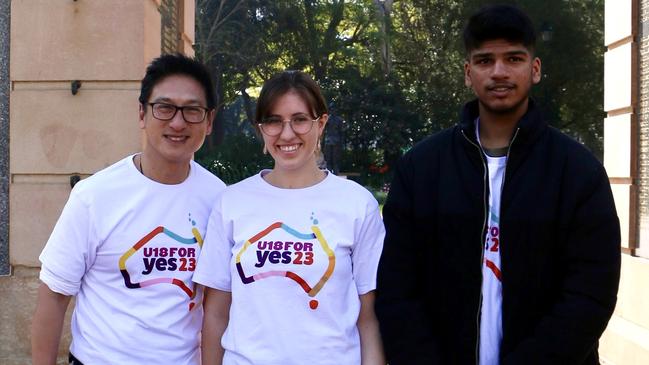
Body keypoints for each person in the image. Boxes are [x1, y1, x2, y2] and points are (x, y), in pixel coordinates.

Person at [375, 4, 621, 365]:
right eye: (485, 60)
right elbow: (398, 290)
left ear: (535, 69)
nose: (499, 72)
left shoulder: (577, 171)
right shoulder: (422, 169)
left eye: (514, 58)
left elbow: (590, 294)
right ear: (467, 72)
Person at [31, 53, 226, 365]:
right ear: (141, 114)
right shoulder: (94, 197)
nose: (177, 122)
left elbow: (218, 306)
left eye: (192, 110)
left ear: (209, 121)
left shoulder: (220, 200)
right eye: (164, 107)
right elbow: (53, 297)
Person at [193, 70, 385, 365]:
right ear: (261, 129)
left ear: (321, 123)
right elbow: (216, 314)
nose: (286, 134)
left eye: (299, 119)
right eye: (273, 121)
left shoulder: (358, 204)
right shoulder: (231, 202)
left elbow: (367, 317)